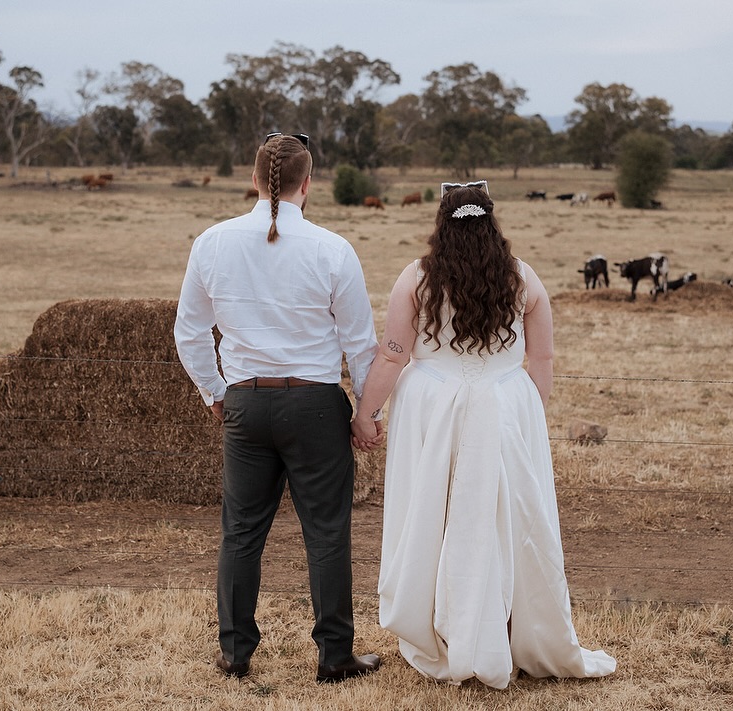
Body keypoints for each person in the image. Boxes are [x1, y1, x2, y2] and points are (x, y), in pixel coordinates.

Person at [351, 181, 616, 689]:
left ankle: (449, 633)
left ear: (441, 224)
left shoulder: (416, 278)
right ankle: (506, 631)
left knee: (439, 515)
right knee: (505, 518)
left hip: (434, 406)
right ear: (491, 222)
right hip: (505, 403)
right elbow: (541, 358)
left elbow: (392, 353)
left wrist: (366, 411)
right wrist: (529, 416)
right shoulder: (523, 278)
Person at [174, 132, 382, 684]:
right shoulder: (332, 249)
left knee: (241, 531)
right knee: (327, 532)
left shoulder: (212, 242)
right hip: (315, 405)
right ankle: (335, 655)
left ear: (253, 178)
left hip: (246, 402)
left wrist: (214, 392)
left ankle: (235, 653)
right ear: (307, 184)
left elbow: (190, 331)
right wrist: (366, 412)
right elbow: (361, 344)